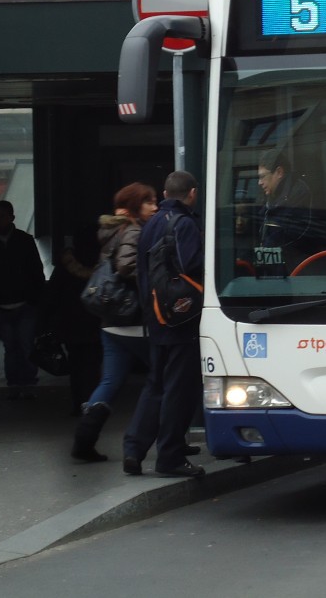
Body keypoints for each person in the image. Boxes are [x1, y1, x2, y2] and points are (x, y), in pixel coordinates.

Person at [122, 171, 206, 477]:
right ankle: (169, 455)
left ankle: (134, 449)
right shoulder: (184, 224)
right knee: (178, 388)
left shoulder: (152, 224)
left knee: (155, 385)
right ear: (193, 194)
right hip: (181, 319)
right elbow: (193, 267)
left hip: (155, 317)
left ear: (165, 192)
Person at [71, 183, 160, 462]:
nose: (154, 206)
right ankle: (150, 443)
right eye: (149, 202)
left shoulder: (112, 231)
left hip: (110, 322)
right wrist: (154, 283)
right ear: (135, 207)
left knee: (110, 380)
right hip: (133, 320)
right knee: (162, 378)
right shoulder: (133, 230)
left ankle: (83, 442)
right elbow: (126, 266)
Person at [0, 199, 45, 399]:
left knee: (13, 348)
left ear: (10, 217)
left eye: (1, 216)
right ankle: (25, 384)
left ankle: (16, 384)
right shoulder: (24, 241)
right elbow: (36, 272)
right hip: (21, 303)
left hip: (4, 304)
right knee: (23, 346)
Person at [45, 223, 102, 417]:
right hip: (95, 321)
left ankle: (78, 402)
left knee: (76, 367)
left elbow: (53, 293)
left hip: (71, 323)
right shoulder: (101, 263)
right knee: (93, 365)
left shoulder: (66, 264)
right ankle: (93, 402)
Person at [254, 148, 311, 274]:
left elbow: (289, 238)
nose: (259, 182)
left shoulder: (298, 195)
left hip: (294, 270)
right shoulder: (270, 197)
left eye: (263, 176)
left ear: (279, 172)